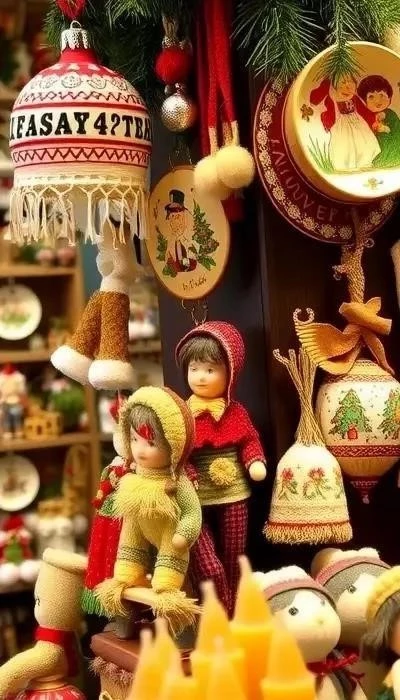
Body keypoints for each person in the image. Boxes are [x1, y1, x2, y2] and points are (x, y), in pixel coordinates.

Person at [310, 75, 380, 171]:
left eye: (351, 84)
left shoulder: (354, 98)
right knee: (345, 144)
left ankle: (364, 162)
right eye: (342, 84)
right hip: (341, 125)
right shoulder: (332, 99)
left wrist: (373, 121)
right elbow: (315, 100)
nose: (347, 88)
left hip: (357, 123)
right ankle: (344, 166)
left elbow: (363, 110)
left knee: (363, 141)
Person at [357, 75, 400, 169]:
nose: (378, 101)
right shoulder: (363, 117)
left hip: (392, 152)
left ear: (389, 97)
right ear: (363, 101)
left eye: (381, 95)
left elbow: (397, 133)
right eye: (371, 97)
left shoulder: (390, 114)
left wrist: (385, 130)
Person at [165, 189, 197, 273]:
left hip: (184, 239)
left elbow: (191, 228)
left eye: (175, 204)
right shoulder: (170, 214)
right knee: (173, 257)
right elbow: (169, 227)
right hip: (175, 240)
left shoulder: (186, 214)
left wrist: (183, 236)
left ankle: (185, 265)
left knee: (186, 257)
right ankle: (178, 265)